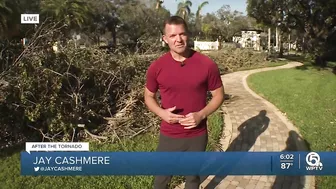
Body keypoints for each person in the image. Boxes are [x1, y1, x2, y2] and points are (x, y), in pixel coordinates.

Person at [144, 15, 225, 189]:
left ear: (188, 34)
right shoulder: (157, 67)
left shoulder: (206, 64)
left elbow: (219, 95)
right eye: (172, 36)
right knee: (160, 181)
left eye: (182, 34)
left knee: (193, 179)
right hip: (169, 135)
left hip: (196, 135)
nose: (178, 39)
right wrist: (162, 113)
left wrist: (201, 114)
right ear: (165, 39)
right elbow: (148, 96)